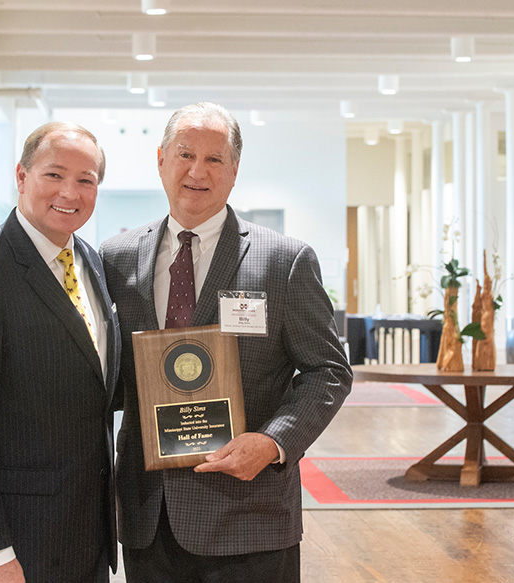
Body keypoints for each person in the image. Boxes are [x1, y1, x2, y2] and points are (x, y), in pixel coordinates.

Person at [100, 102, 352, 582]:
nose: (198, 171)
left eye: (215, 159)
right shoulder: (115, 258)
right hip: (149, 515)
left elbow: (329, 371)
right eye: (185, 154)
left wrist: (274, 442)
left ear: (234, 170)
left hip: (249, 515)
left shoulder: (284, 261)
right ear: (160, 160)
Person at [0, 122, 120, 583]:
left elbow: (93, 386)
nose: (70, 192)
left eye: (86, 180)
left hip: (82, 535)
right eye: (54, 174)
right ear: (22, 176)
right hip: (9, 546)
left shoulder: (89, 262)